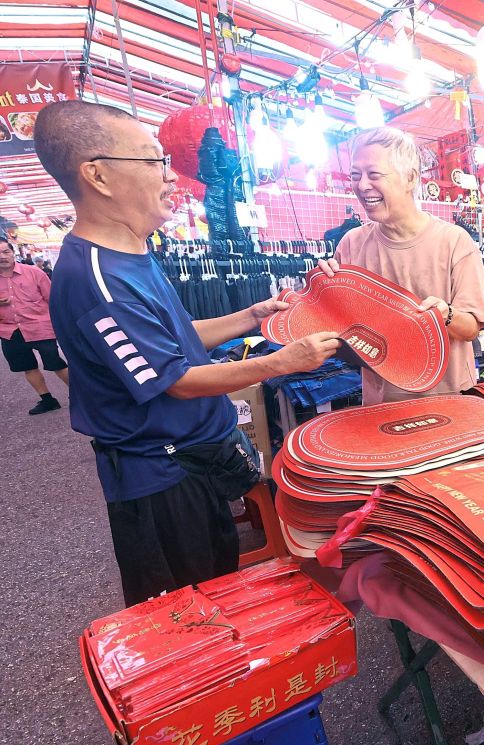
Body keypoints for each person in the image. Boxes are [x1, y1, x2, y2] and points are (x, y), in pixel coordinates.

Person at [34, 100, 340, 606]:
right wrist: (279, 363)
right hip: (160, 477)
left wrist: (254, 315)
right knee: (186, 608)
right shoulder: (98, 281)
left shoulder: (129, 252)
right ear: (98, 176)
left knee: (218, 581)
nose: (171, 175)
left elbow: (175, 336)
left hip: (190, 459)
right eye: (153, 160)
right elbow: (174, 378)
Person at [316, 127, 484, 405]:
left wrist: (445, 315)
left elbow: (472, 328)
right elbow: (340, 328)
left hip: (450, 399)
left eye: (374, 175)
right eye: (355, 175)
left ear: (410, 178)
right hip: (381, 403)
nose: (362, 185)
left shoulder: (454, 241)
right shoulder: (351, 245)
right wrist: (323, 292)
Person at [0, 238, 69, 414]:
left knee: (55, 363)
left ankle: (81, 395)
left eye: (5, 252)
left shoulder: (34, 273)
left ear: (13, 252)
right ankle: (47, 400)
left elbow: (52, 299)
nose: (2, 256)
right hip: (9, 331)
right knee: (27, 367)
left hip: (39, 326)